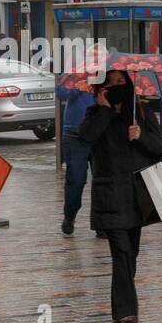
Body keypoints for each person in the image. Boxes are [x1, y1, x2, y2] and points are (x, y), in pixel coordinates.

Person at [77, 69, 162, 323]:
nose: (117, 86)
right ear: (100, 90)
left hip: (136, 195)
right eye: (110, 83)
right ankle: (127, 312)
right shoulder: (94, 115)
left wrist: (141, 137)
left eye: (121, 82)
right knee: (122, 251)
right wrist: (105, 110)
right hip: (109, 195)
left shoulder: (140, 114)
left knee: (131, 253)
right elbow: (86, 138)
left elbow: (161, 148)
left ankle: (122, 307)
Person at [57, 79, 97, 236]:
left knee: (102, 180)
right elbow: (61, 94)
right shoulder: (74, 73)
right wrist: (78, 86)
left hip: (100, 133)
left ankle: (100, 223)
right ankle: (70, 216)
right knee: (76, 180)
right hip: (75, 134)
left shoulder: (109, 73)